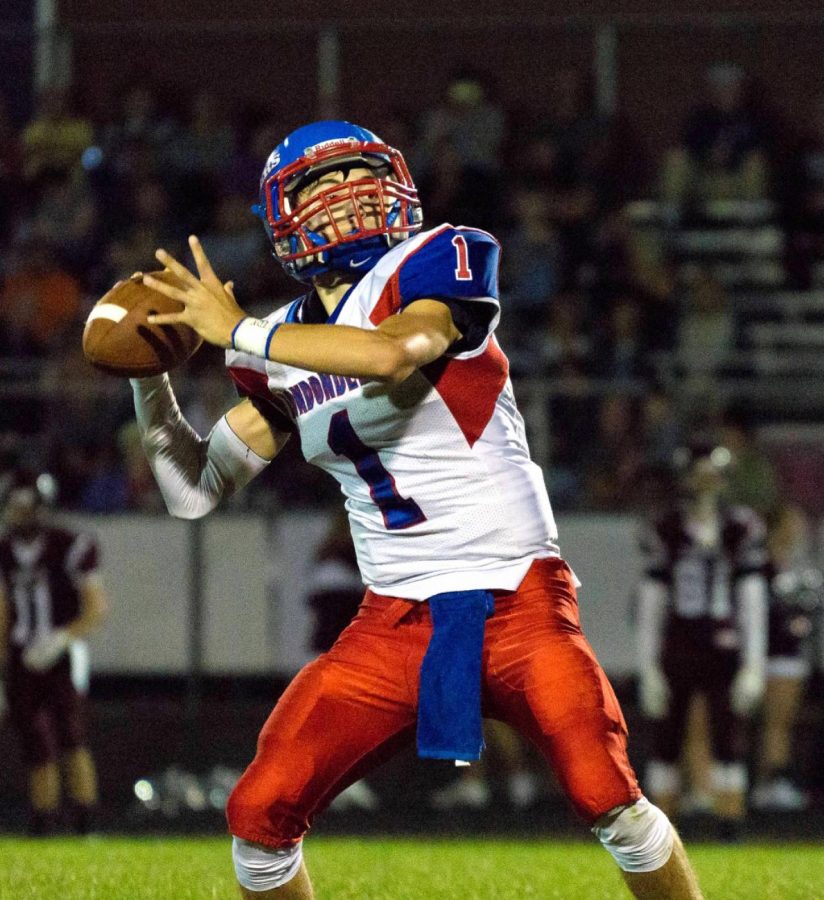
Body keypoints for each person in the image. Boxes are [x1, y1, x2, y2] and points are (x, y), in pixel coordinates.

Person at [129, 120, 703, 898]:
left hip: (519, 602)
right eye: (321, 186)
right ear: (282, 218)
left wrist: (239, 330)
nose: (346, 195)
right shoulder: (281, 345)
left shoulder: (437, 258)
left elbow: (389, 352)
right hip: (393, 620)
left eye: (357, 176)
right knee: (259, 813)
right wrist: (147, 374)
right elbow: (193, 489)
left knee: (609, 798)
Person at [637, 441, 769, 839]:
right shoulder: (667, 527)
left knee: (728, 734)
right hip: (680, 641)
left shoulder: (741, 527)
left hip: (723, 642)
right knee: (667, 736)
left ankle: (729, 824)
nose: (705, 482)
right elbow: (651, 601)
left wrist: (753, 664)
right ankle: (661, 832)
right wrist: (647, 667)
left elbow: (752, 600)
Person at [0, 471, 109, 834]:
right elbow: (2, 612)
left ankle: (86, 820)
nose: (19, 514)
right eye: (14, 507)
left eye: (25, 506)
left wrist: (62, 638)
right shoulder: (4, 550)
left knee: (71, 736)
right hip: (22, 653)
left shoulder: (69, 544)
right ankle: (43, 822)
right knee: (34, 741)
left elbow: (96, 607)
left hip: (63, 652)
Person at [751, 504, 822, 811]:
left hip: (789, 654)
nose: (798, 529)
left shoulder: (791, 564)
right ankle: (770, 784)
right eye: (792, 523)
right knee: (776, 724)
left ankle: (766, 782)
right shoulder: (764, 565)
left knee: (778, 723)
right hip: (775, 655)